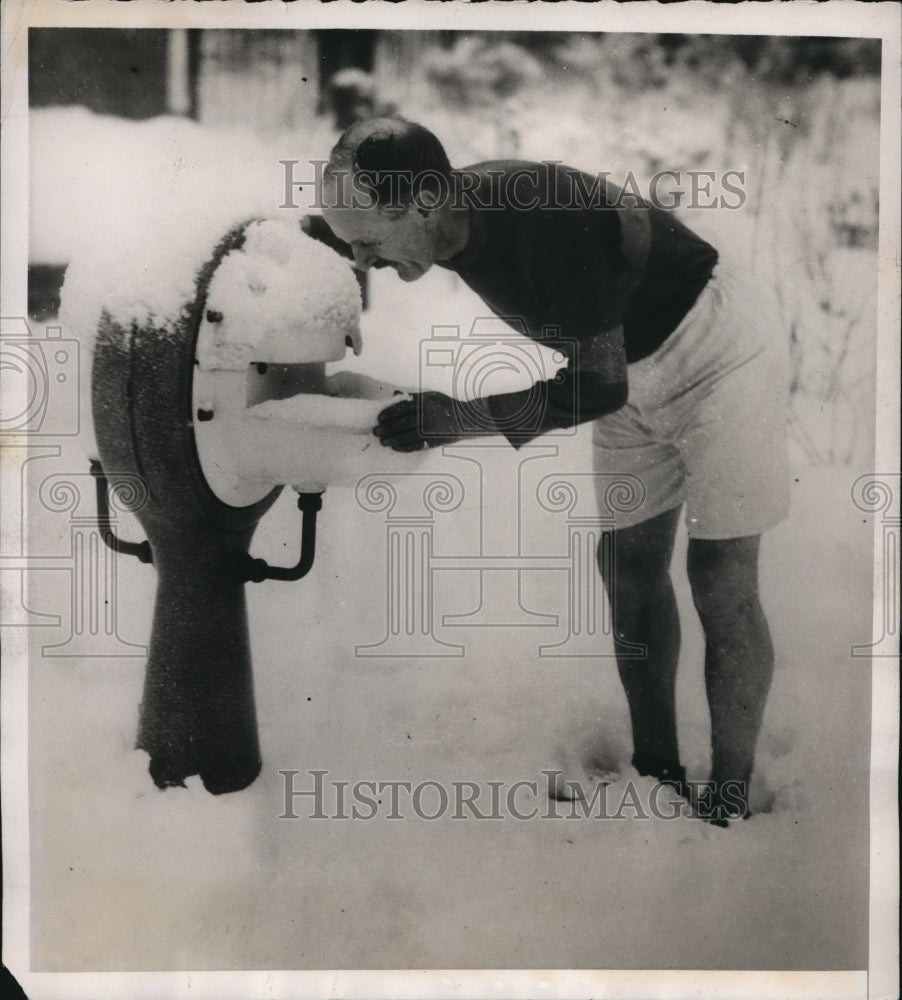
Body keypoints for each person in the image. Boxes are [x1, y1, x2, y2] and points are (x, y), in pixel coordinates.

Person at [319, 116, 790, 826]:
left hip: (717, 350)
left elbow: (597, 389)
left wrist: (459, 418)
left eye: (368, 243)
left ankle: (731, 799)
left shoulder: (541, 218)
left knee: (719, 577)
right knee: (627, 566)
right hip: (624, 364)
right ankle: (656, 773)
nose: (362, 259)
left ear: (418, 205)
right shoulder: (435, 213)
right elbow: (609, 379)